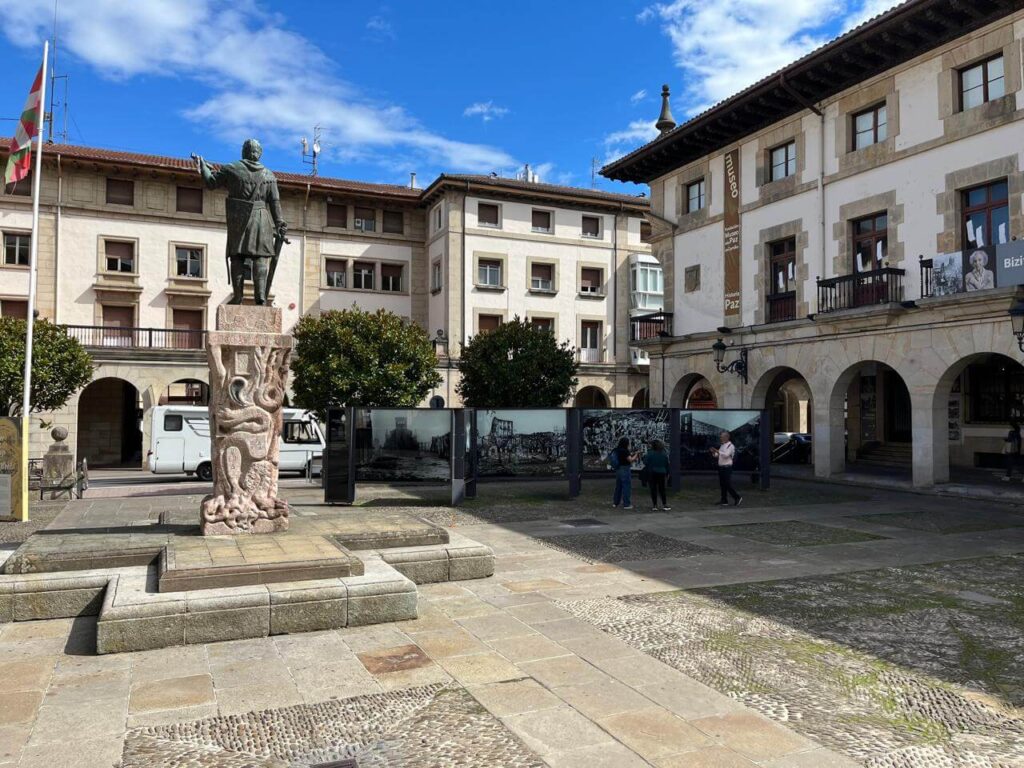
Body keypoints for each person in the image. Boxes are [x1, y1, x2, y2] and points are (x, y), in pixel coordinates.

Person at [710, 431, 742, 507]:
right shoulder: (722, 445)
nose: (720, 438)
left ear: (726, 437)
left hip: (727, 467)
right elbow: (718, 455)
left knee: (727, 484)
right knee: (722, 484)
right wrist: (714, 452)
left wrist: (717, 451)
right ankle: (724, 500)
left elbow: (726, 455)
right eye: (720, 437)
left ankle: (737, 497)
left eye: (721, 437)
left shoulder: (730, 446)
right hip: (721, 467)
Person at [609, 437, 639, 509]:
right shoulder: (625, 451)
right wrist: (636, 454)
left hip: (618, 469)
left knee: (618, 486)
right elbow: (630, 460)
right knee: (626, 486)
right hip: (625, 469)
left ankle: (615, 503)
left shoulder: (616, 450)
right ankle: (626, 504)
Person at [643, 439, 671, 511]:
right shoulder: (664, 454)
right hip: (662, 473)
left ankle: (655, 505)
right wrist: (667, 473)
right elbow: (667, 464)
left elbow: (645, 462)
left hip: (652, 472)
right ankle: (665, 504)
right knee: (662, 489)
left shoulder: (650, 453)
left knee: (653, 489)